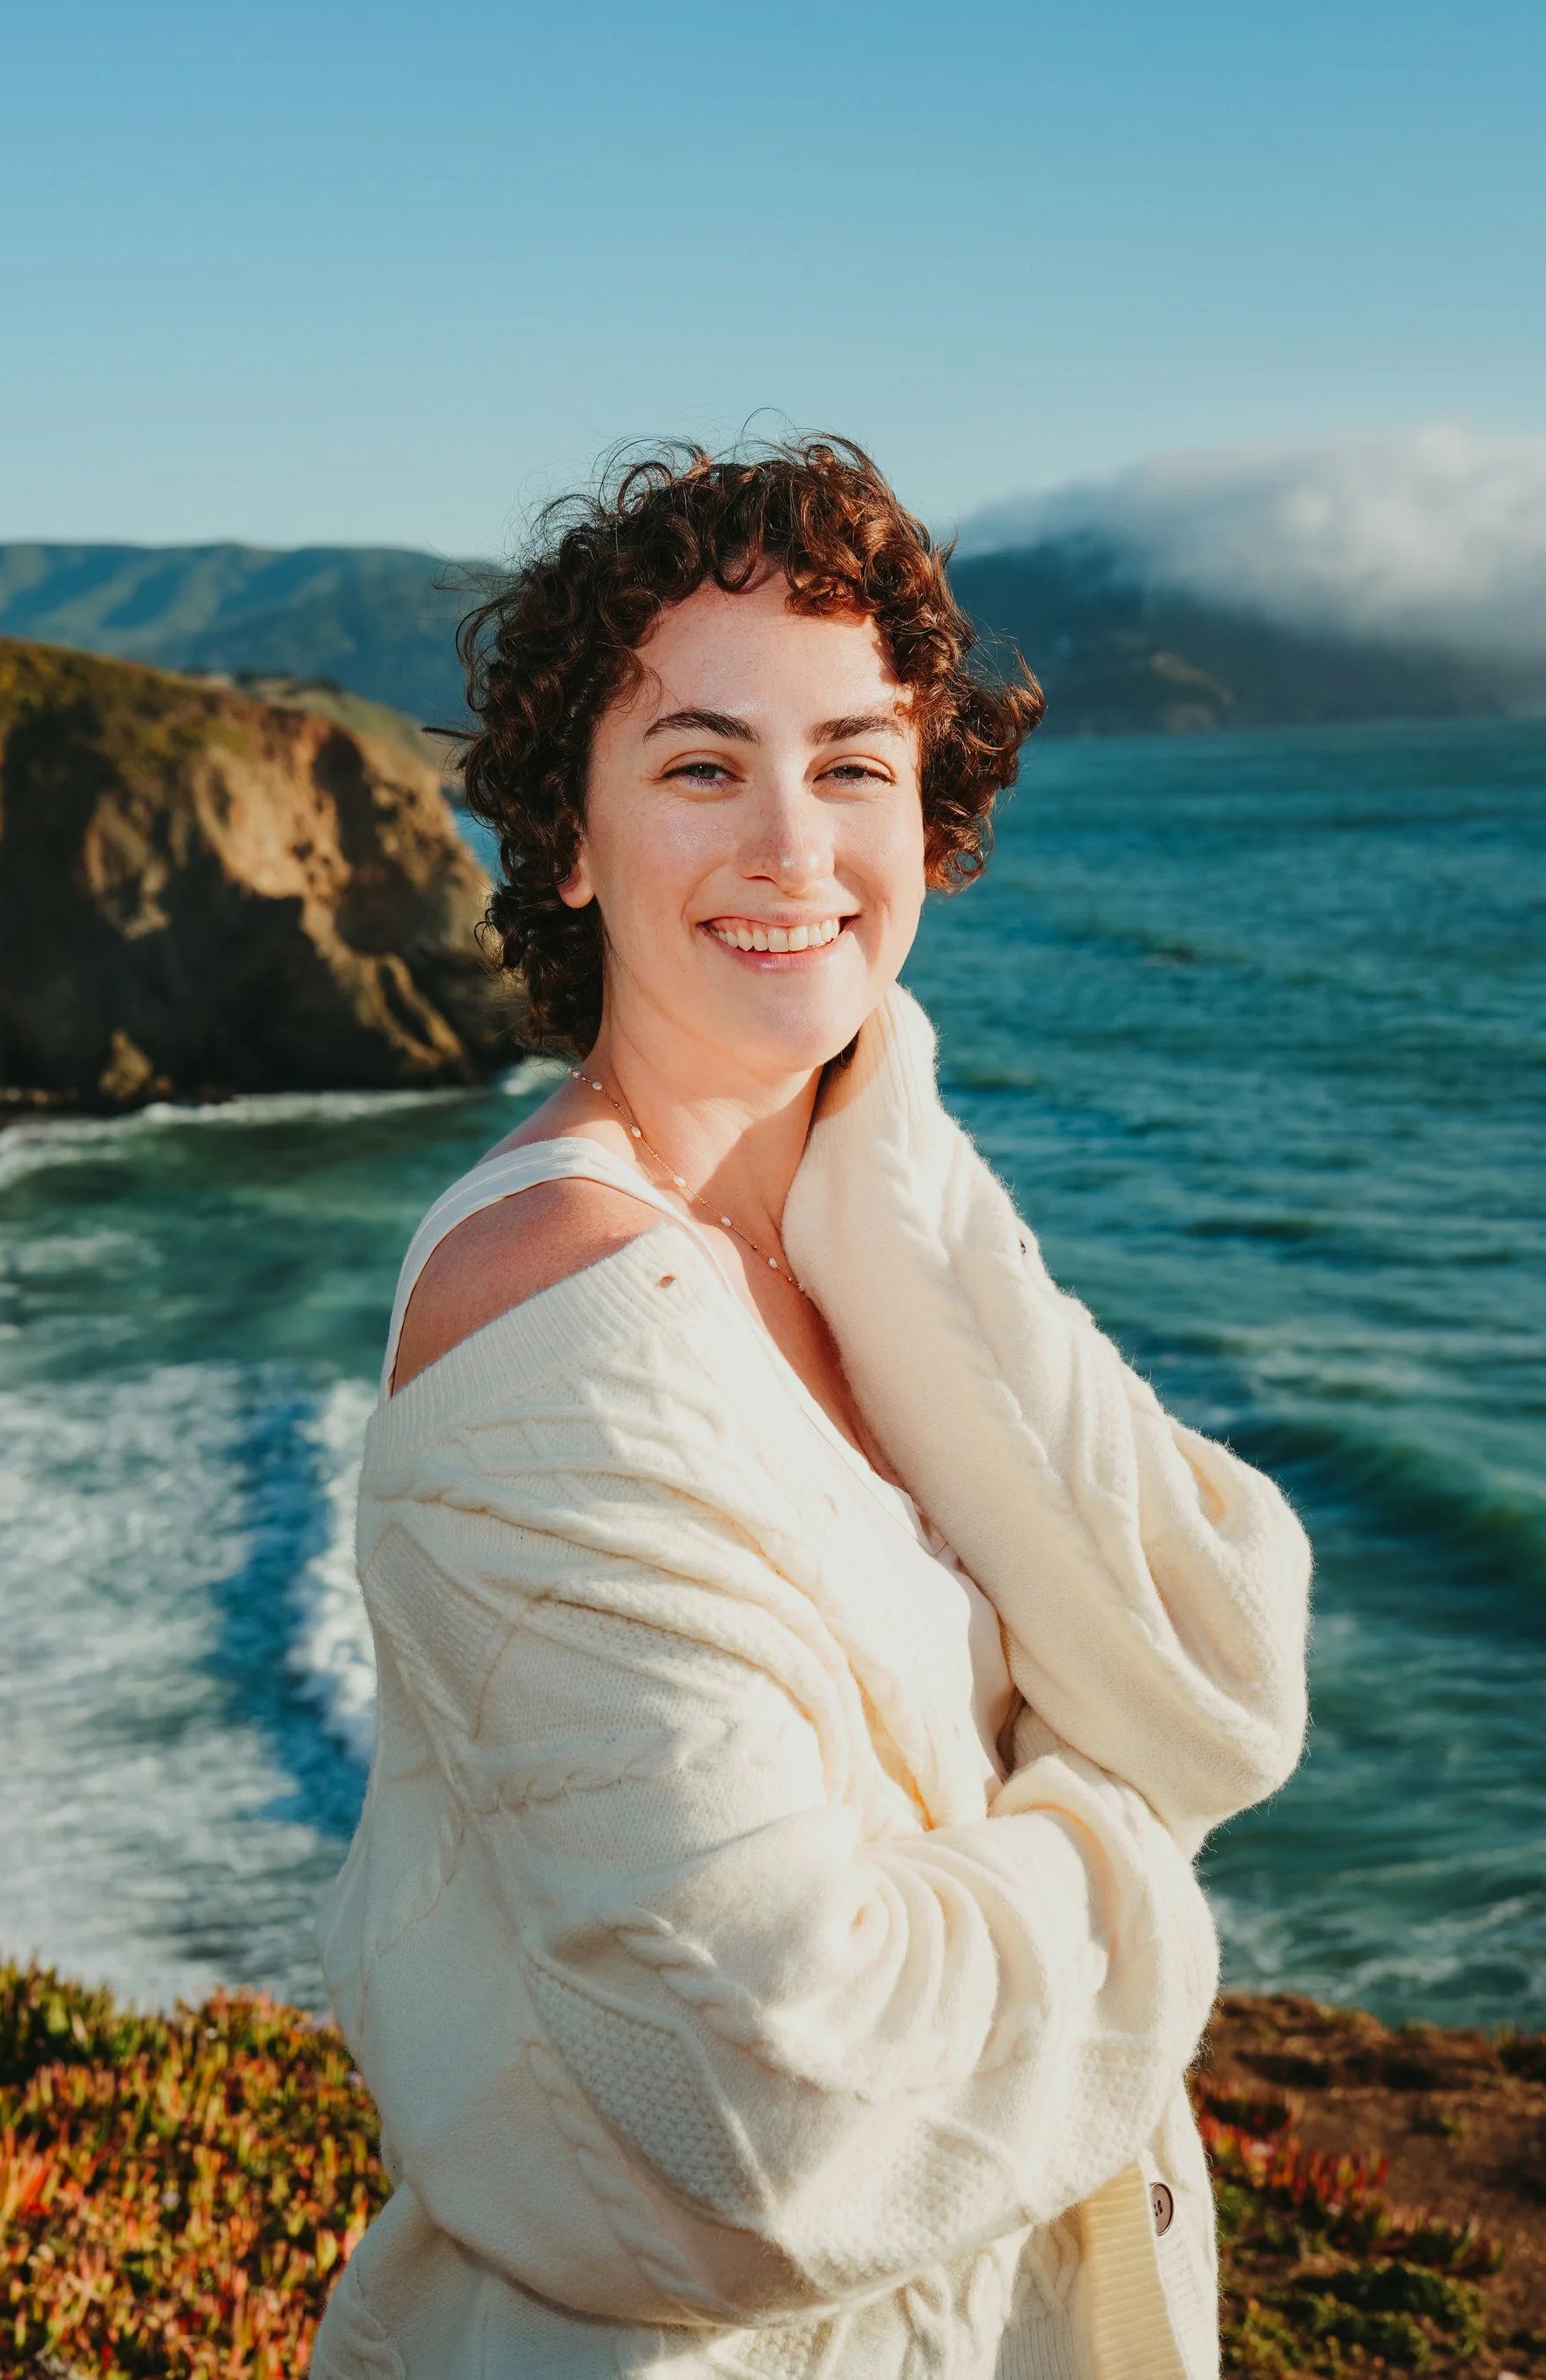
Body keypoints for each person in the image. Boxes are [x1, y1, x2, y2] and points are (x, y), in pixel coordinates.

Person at [309, 432, 1313, 2380]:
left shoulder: (878, 1179)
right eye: (701, 763)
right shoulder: (550, 1314)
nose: (793, 845)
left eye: (854, 762)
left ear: (929, 816)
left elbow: (1226, 1657)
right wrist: (1124, 1838)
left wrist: (890, 1194)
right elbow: (768, 2113)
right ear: (571, 839)